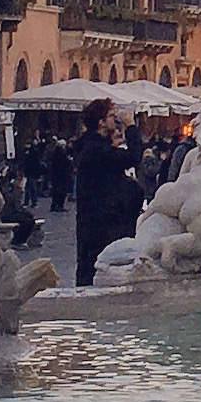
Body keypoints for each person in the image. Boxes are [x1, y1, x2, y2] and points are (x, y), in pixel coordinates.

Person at [71, 101, 141, 290]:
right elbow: (134, 157)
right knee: (99, 268)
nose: (116, 120)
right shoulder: (95, 149)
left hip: (101, 220)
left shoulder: (93, 146)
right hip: (104, 222)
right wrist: (131, 126)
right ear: (101, 122)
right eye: (111, 116)